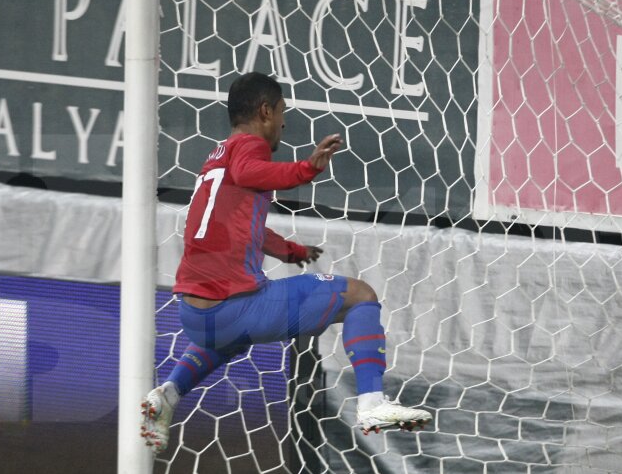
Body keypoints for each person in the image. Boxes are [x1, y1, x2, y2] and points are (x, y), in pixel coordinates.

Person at [140, 71, 432, 451]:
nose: (283, 123)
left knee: (230, 338)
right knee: (361, 294)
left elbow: (239, 227)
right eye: (281, 113)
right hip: (237, 308)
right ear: (265, 112)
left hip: (197, 317)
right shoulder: (249, 148)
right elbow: (251, 172)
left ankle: (169, 394)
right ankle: (372, 403)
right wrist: (306, 169)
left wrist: (293, 252)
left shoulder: (217, 158)